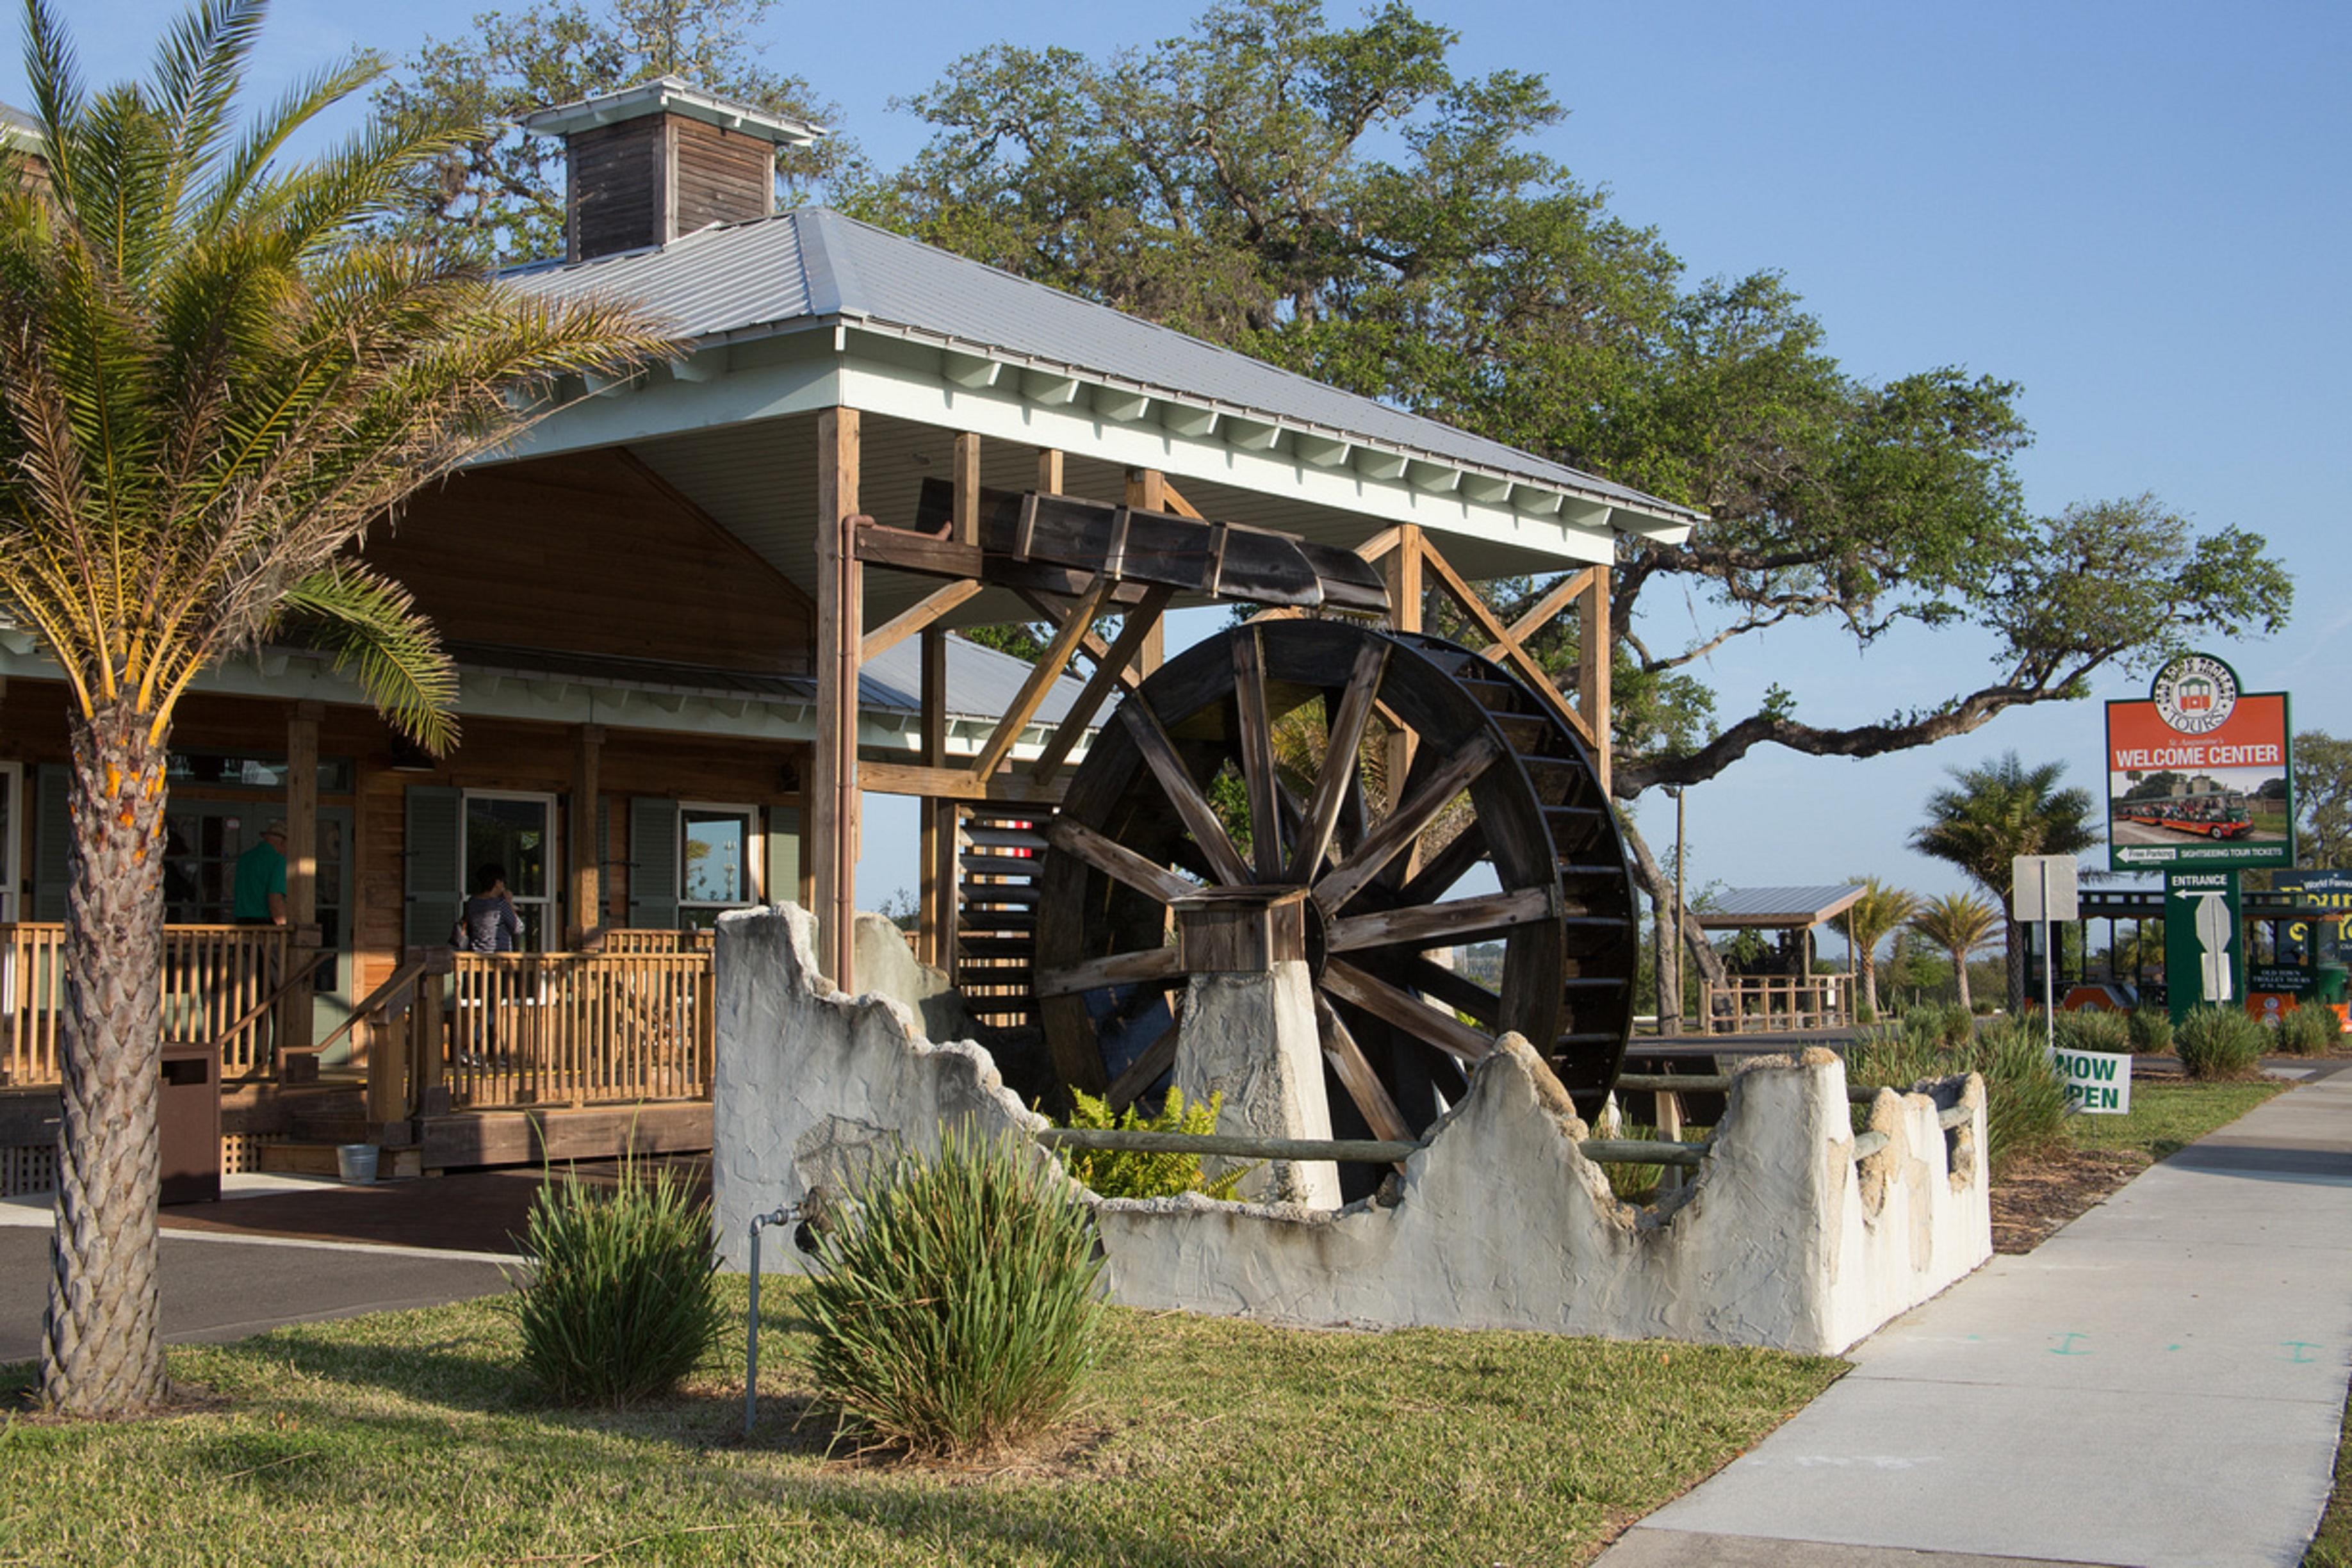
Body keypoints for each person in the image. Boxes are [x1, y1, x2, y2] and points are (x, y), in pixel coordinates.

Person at [231, 820, 288, 926]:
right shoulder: (278, 861)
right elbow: (275, 899)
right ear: (283, 842)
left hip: (241, 922)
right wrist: (283, 926)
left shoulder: (244, 859)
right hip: (264, 924)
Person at [458, 864, 524, 953]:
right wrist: (509, 903)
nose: (504, 885)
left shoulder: (472, 902)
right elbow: (518, 928)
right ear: (497, 883)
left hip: (477, 956)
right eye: (503, 882)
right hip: (499, 957)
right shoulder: (501, 904)